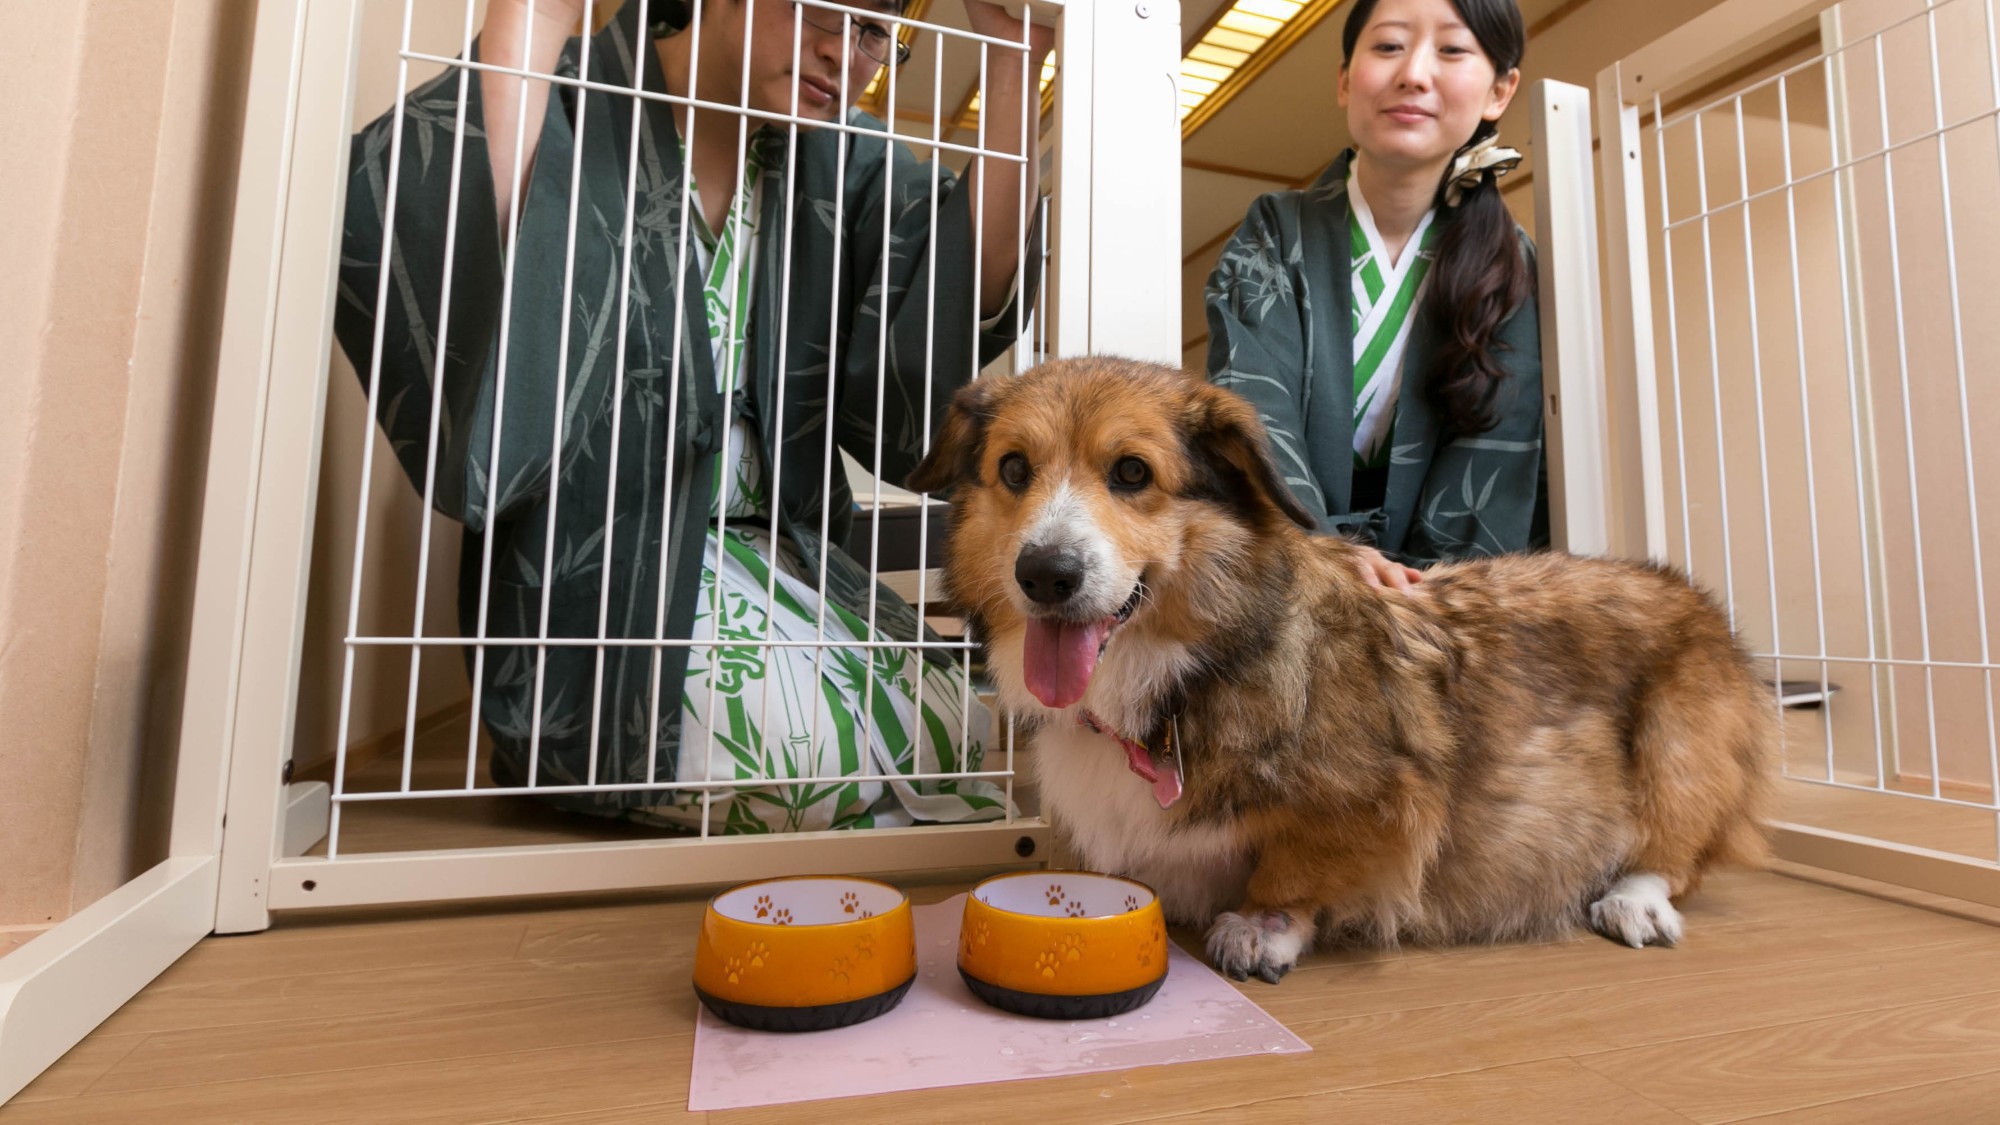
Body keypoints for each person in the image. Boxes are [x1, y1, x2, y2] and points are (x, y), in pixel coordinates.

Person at [334, 0, 1048, 832]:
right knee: (807, 756)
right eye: (825, 13)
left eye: (873, 33)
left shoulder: (837, 155)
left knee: (966, 724)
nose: (845, 55)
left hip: (781, 549)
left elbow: (964, 275)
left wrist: (1013, 52)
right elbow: (470, 247)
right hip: (616, 576)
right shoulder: (563, 94)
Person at [1205, 0, 1545, 590]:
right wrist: (1321, 554)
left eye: (1452, 49)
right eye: (1388, 46)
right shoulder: (1274, 232)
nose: (1414, 73)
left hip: (1440, 611)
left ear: (1500, 90)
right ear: (1344, 80)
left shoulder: (1510, 262)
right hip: (1288, 582)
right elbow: (1251, 406)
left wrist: (1432, 591)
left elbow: (1501, 447)